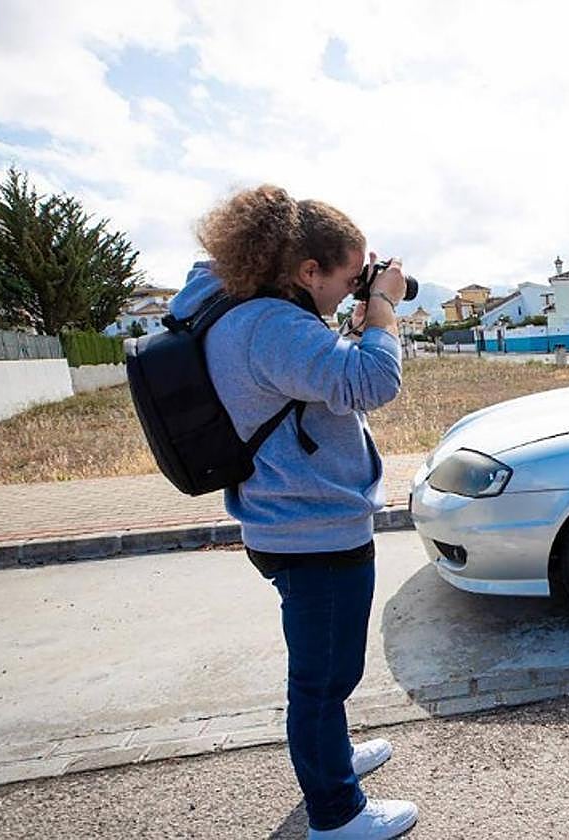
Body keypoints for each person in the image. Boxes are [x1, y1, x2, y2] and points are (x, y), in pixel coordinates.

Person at [168, 185, 417, 839]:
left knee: (327, 669)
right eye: (345, 276)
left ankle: (332, 757)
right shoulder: (271, 326)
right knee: (321, 678)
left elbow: (324, 369)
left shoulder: (255, 310)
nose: (349, 290)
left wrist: (360, 305)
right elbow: (371, 382)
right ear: (307, 270)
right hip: (311, 528)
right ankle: (335, 814)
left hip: (291, 518)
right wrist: (384, 307)